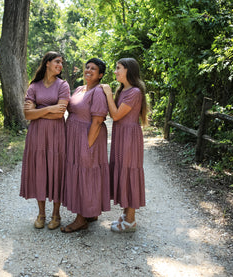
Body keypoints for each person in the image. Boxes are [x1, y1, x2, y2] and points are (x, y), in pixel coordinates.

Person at [20, 51, 70, 230]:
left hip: (57, 134)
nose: (60, 65)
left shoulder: (63, 85)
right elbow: (27, 114)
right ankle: (41, 214)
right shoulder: (33, 87)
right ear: (47, 63)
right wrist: (51, 108)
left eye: (61, 63)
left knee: (56, 170)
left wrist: (39, 112)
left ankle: (56, 215)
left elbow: (60, 113)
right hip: (37, 135)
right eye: (57, 61)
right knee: (39, 170)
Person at [60, 58, 110, 233]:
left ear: (100, 75)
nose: (88, 70)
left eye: (93, 69)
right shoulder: (80, 89)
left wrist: (87, 145)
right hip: (74, 136)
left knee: (86, 174)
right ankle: (91, 211)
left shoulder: (97, 92)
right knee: (82, 173)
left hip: (89, 138)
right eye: (87, 67)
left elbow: (97, 121)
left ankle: (81, 219)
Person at [100, 57, 148, 232]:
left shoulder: (134, 92)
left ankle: (131, 220)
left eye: (118, 68)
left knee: (129, 173)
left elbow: (117, 115)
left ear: (128, 70)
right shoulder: (123, 90)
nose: (115, 71)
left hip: (129, 137)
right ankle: (126, 213)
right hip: (121, 135)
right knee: (122, 170)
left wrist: (108, 93)